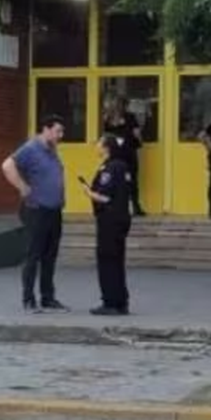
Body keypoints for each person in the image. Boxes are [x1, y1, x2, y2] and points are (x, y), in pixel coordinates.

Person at [1, 114, 69, 313]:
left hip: (54, 210)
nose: (60, 135)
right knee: (34, 255)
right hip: (36, 210)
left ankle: (48, 298)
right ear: (46, 129)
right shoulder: (31, 148)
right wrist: (22, 187)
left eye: (62, 132)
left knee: (50, 256)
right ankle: (28, 299)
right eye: (57, 131)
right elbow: (7, 165)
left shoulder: (52, 150)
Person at [81, 134, 132, 316]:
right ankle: (121, 301)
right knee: (117, 260)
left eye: (99, 143)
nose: (96, 146)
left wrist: (89, 192)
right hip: (122, 218)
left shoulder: (110, 168)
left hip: (109, 220)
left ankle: (110, 302)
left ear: (106, 147)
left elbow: (105, 197)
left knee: (107, 260)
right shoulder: (123, 166)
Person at [102, 95, 145, 216]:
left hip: (114, 153)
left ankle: (115, 207)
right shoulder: (130, 117)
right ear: (125, 105)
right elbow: (136, 133)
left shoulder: (108, 118)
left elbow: (106, 136)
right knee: (132, 181)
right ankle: (135, 207)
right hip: (128, 152)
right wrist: (140, 141)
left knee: (115, 180)